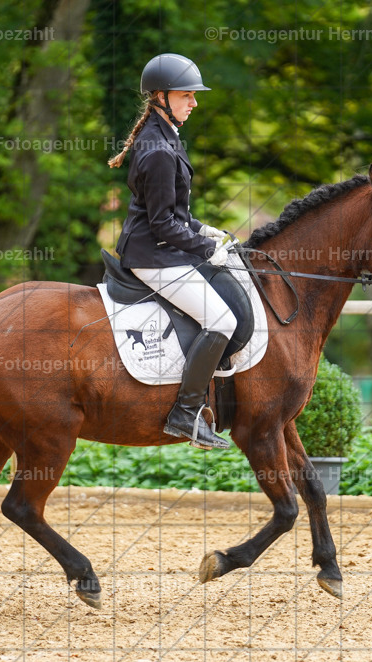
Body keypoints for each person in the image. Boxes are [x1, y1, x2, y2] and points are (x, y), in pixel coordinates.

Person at [108, 53, 236, 450]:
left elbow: (171, 212)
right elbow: (162, 224)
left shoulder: (163, 136)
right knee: (222, 321)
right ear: (161, 97)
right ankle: (185, 414)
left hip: (160, 247)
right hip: (152, 256)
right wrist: (204, 248)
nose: (194, 102)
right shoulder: (159, 149)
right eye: (187, 95)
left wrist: (202, 229)